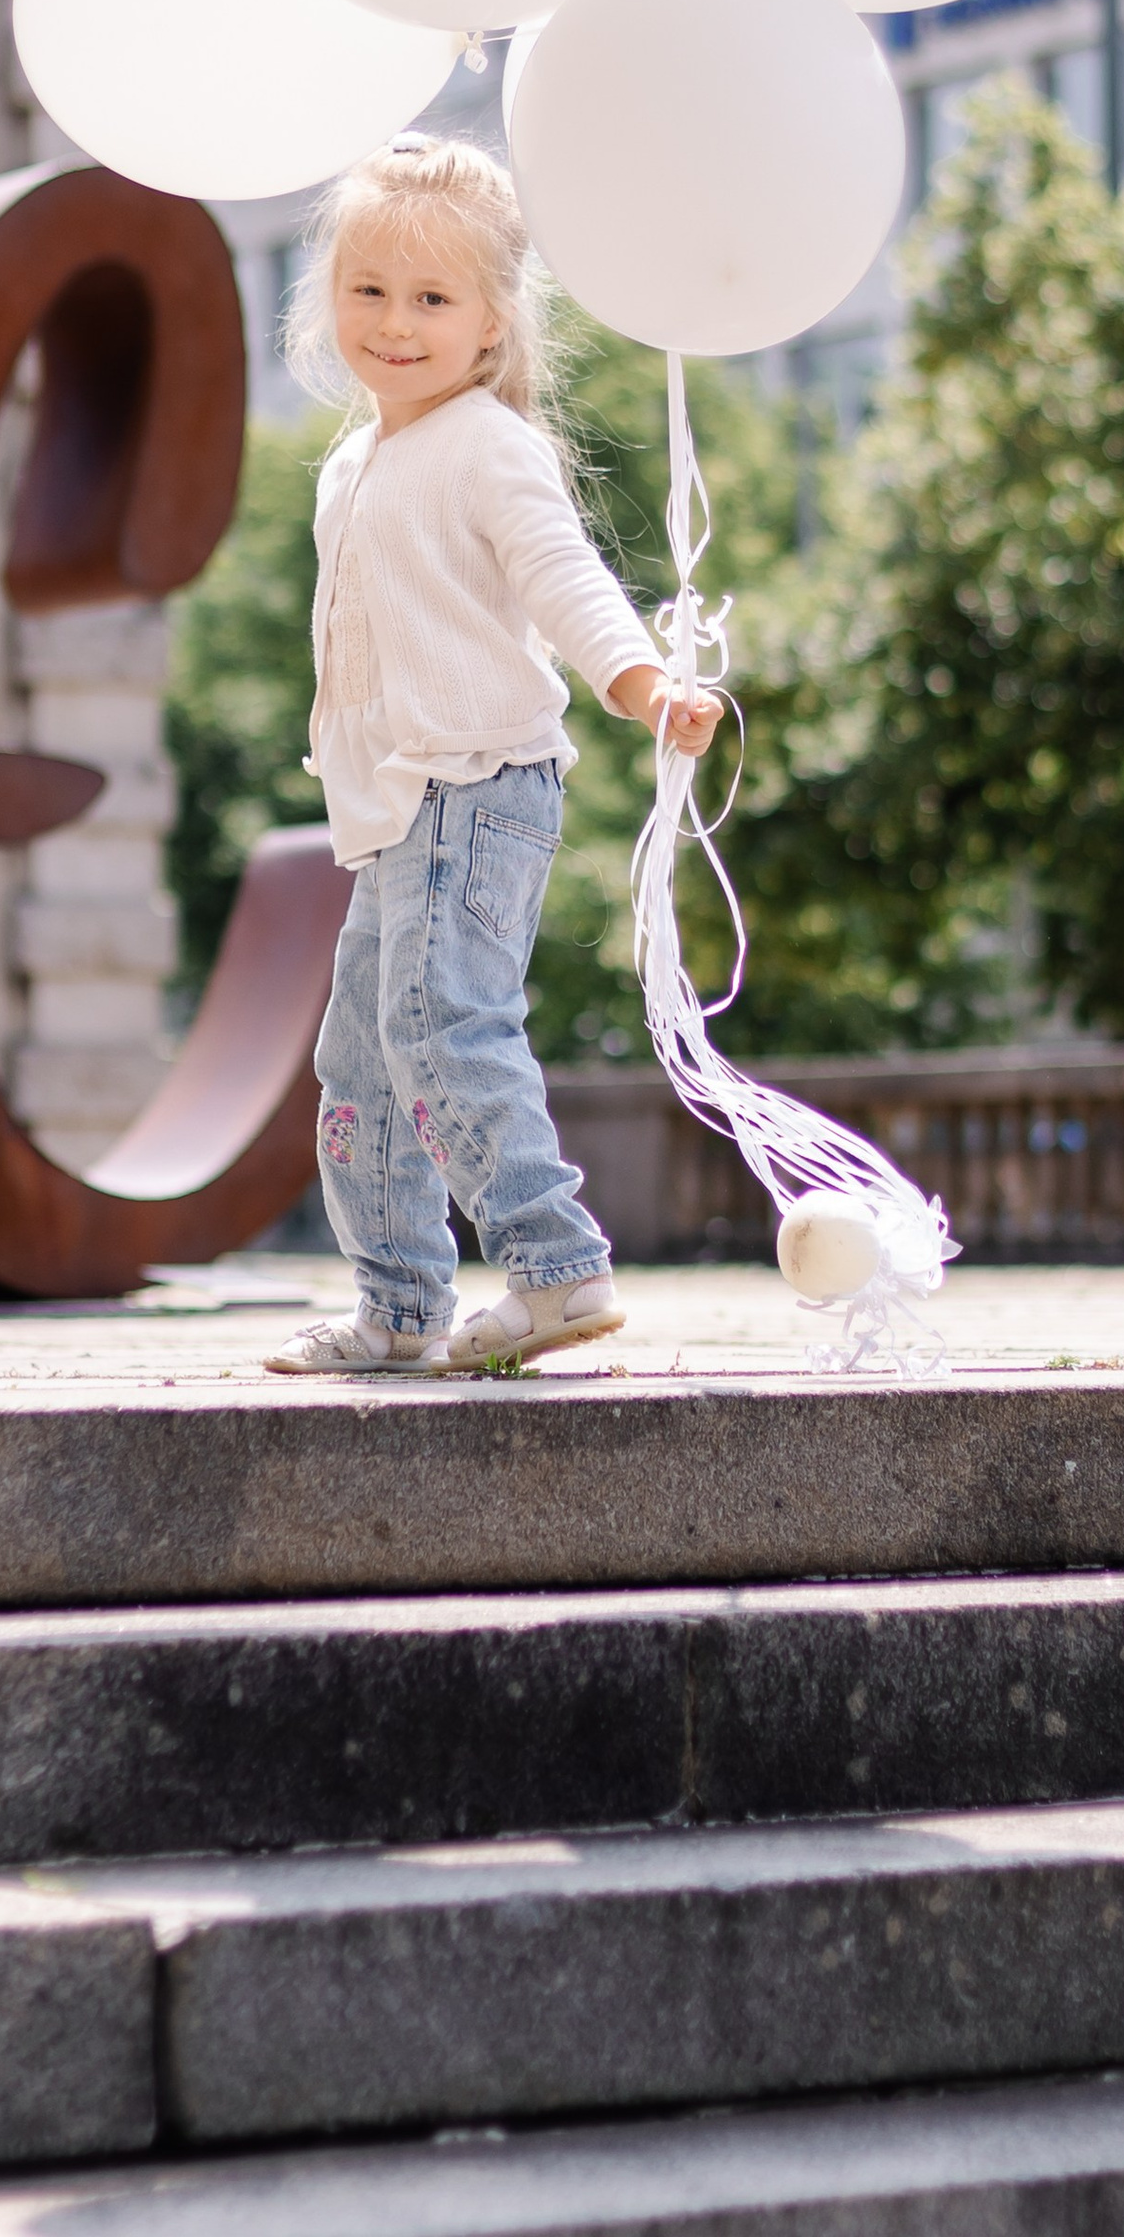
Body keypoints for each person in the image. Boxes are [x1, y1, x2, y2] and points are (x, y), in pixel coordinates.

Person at [262, 134, 722, 1380]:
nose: (393, 323)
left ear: (491, 325)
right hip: (396, 804)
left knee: (441, 1027)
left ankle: (554, 1263)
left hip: (475, 783)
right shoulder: (355, 459)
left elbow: (563, 576)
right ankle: (399, 1306)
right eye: (368, 290)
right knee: (362, 1061)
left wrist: (640, 684)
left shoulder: (486, 443)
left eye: (431, 298)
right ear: (325, 299)